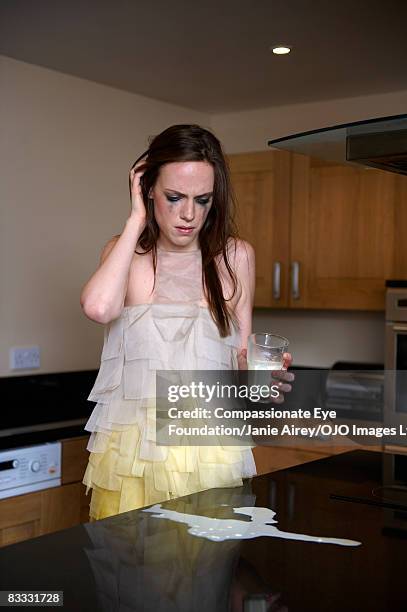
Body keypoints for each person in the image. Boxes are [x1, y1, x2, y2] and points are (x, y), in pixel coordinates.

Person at [80, 124, 293, 521]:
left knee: (205, 573)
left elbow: (241, 360)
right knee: (130, 574)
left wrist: (264, 381)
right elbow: (98, 308)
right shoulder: (126, 253)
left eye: (203, 200)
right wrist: (135, 219)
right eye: (174, 197)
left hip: (210, 450)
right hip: (132, 458)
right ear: (148, 190)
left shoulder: (236, 257)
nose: (189, 214)